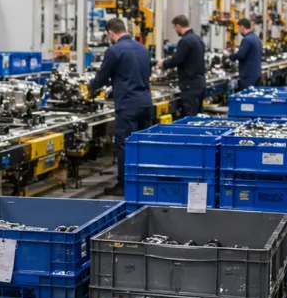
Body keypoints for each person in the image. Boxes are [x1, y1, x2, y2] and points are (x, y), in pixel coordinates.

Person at [87, 17, 153, 197]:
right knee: (143, 145)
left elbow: (102, 77)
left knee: (125, 145)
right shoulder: (143, 49)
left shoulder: (114, 51)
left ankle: (124, 186)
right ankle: (143, 183)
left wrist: (91, 88)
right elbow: (144, 73)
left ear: (110, 33)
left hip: (128, 106)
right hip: (146, 103)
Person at [161, 15, 206, 119]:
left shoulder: (185, 41)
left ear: (178, 26)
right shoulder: (198, 39)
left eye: (174, 28)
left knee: (190, 119)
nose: (175, 30)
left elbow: (176, 60)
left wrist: (163, 63)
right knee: (198, 118)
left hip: (190, 86)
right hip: (199, 83)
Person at [230, 18, 263, 91]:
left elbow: (241, 55)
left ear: (242, 27)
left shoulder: (247, 40)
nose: (239, 30)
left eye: (239, 28)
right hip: (257, 74)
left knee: (247, 99)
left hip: (248, 77)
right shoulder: (257, 39)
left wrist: (231, 56)